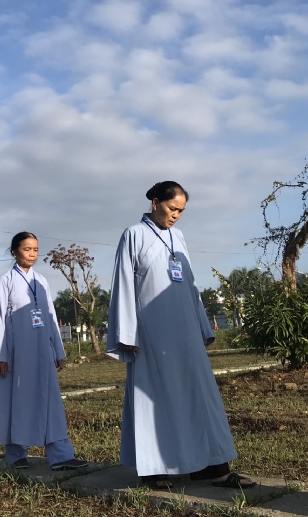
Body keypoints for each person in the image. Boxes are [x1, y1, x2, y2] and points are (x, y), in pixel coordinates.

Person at [107, 181, 252, 490]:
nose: (176, 215)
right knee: (155, 396)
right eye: (172, 208)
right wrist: (127, 332)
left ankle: (215, 467)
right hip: (151, 332)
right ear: (155, 203)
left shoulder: (179, 237)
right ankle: (155, 470)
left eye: (181, 211)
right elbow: (123, 282)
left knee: (200, 394)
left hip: (186, 330)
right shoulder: (134, 234)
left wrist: (202, 326)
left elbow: (190, 283)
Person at [0, 232, 87, 471]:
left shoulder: (41, 281)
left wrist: (59, 351)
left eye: (35, 249)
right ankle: (16, 454)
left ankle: (61, 455)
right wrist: (0, 356)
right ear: (14, 251)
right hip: (16, 353)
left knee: (50, 401)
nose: (32, 254)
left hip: (43, 351)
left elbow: (51, 317)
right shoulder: (5, 281)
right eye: (27, 249)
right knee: (16, 400)